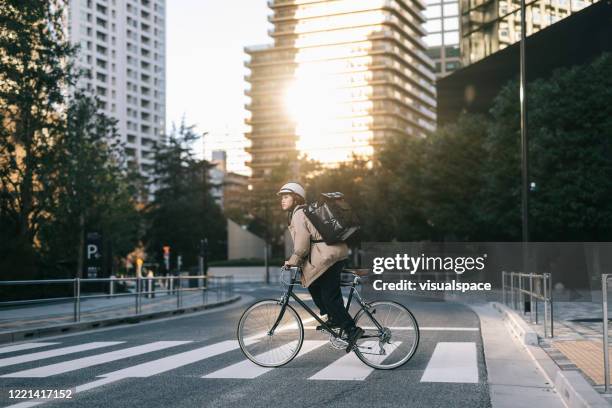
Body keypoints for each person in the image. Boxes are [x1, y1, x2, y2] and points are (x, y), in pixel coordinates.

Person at [278, 181, 364, 353]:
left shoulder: (298, 214)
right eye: (282, 197)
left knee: (329, 296)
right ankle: (333, 317)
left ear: (296, 198)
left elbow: (302, 245)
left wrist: (292, 261)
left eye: (286, 196)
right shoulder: (304, 211)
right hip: (332, 254)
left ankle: (352, 329)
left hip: (327, 257)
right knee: (312, 284)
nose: (282, 200)